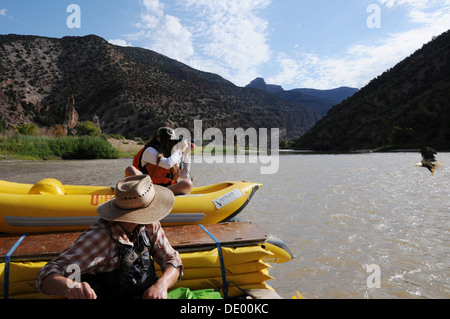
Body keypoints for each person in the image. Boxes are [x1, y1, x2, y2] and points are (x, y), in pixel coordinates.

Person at [36, 174, 183, 299]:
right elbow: (46, 274)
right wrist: (71, 286)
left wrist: (161, 285)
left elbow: (172, 259)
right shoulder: (100, 237)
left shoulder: (150, 224)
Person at [126, 127, 194, 195]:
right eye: (171, 141)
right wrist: (181, 150)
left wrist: (186, 154)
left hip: (168, 189)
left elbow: (184, 175)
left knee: (187, 183)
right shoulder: (149, 150)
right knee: (130, 169)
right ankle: (153, 194)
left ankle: (161, 193)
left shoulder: (173, 156)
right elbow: (167, 164)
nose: (174, 144)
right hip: (148, 189)